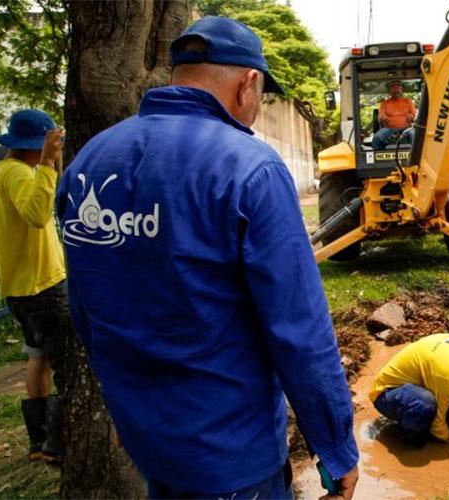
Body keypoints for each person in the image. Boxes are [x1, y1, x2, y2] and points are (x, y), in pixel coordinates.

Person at [55, 16, 359, 499]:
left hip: (150, 443)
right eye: (262, 97)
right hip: (231, 456)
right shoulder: (250, 167)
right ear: (248, 84)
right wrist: (336, 445)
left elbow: (87, 306)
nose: (258, 108)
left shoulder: (89, 162)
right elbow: (300, 332)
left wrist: (125, 407)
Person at [0, 109, 68, 463]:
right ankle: (56, 445)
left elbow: (46, 204)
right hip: (42, 286)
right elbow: (36, 216)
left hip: (19, 287)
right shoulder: (19, 174)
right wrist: (47, 165)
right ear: (33, 146)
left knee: (38, 357)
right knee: (68, 365)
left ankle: (38, 441)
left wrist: (50, 167)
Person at [371, 80, 417, 150]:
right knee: (377, 137)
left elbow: (414, 116)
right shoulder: (385, 103)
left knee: (415, 136)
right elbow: (381, 117)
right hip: (389, 129)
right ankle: (379, 158)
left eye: (398, 87)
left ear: (401, 89)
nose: (396, 90)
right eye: (394, 88)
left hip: (406, 129)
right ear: (390, 90)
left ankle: (416, 157)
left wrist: (411, 117)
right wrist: (382, 118)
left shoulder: (408, 101)